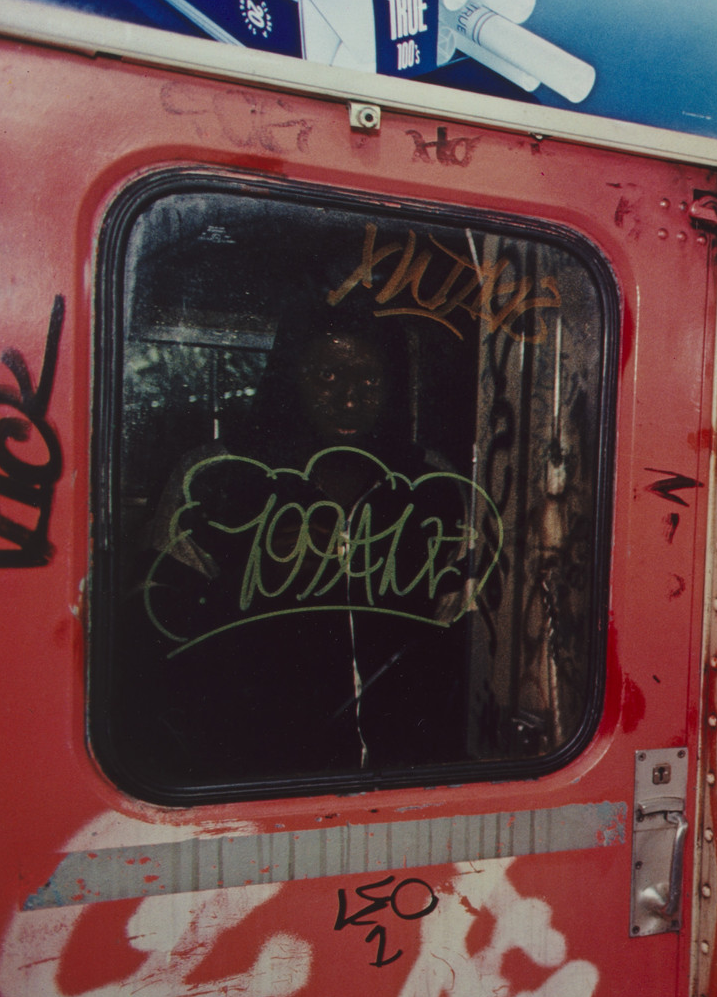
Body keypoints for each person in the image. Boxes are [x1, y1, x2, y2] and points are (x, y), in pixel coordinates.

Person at [122, 300, 480, 789]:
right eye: (327, 376)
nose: (350, 398)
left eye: (370, 380)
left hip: (403, 772)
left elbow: (461, 629)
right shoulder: (216, 476)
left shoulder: (430, 480)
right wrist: (251, 576)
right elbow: (149, 633)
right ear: (291, 376)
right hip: (260, 778)